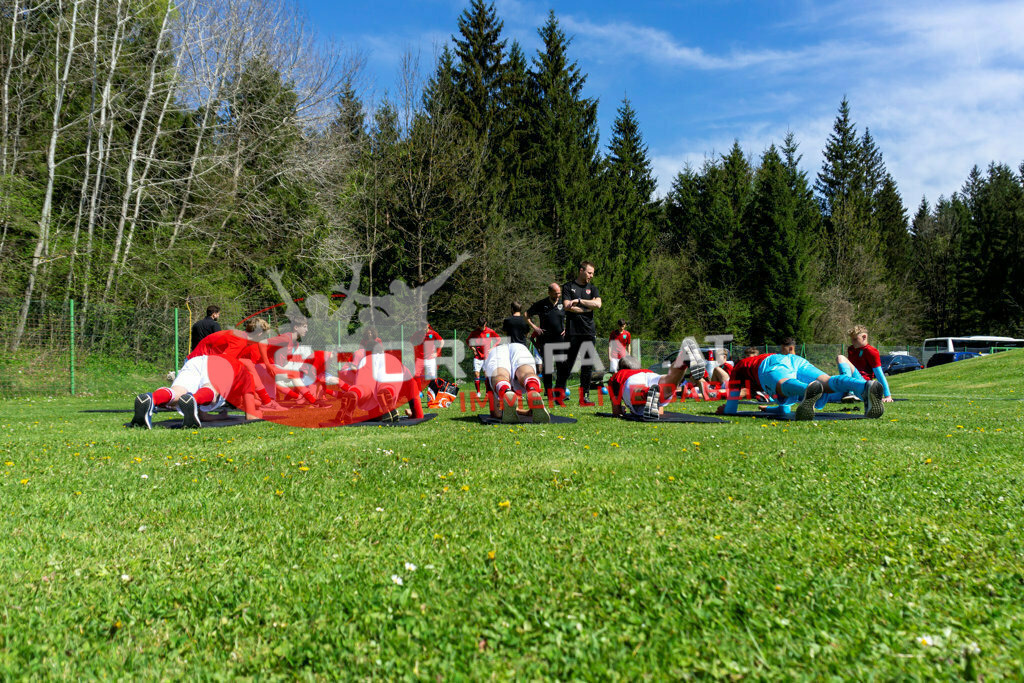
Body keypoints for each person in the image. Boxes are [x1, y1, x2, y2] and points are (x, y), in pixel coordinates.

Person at [130, 326, 259, 429]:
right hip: (217, 363)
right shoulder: (246, 374)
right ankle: (195, 399)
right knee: (212, 392)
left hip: (196, 360)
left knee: (177, 392)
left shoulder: (234, 338)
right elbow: (251, 416)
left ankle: (152, 398)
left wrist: (219, 416)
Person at [717, 349, 885, 420]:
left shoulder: (738, 370)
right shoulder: (752, 365)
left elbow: (731, 408)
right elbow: (784, 408)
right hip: (794, 360)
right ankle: (864, 387)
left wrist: (724, 410)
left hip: (768, 365)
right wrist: (769, 409)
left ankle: (806, 390)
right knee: (827, 382)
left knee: (783, 385)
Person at [608, 340, 707, 419]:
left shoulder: (618, 375)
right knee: (669, 382)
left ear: (620, 368)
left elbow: (616, 411)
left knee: (638, 391)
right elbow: (660, 411)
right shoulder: (644, 371)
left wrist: (620, 409)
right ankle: (682, 360)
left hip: (630, 381)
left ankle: (646, 393)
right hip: (651, 375)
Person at [556, 261, 602, 406]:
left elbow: (598, 304)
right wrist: (587, 309)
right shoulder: (569, 287)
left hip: (589, 332)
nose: (591, 276)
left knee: (587, 366)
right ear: (581, 270)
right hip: (573, 332)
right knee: (567, 365)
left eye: (592, 273)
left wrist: (579, 301)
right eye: (589, 273)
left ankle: (584, 397)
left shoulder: (592, 288)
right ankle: (559, 395)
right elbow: (567, 307)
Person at [481, 343, 550, 423]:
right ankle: (532, 389)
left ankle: (505, 391)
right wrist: (527, 412)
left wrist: (499, 412)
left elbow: (496, 413)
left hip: (496, 351)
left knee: (500, 375)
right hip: (519, 347)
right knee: (526, 373)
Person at [829, 325, 894, 404]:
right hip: (853, 384)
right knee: (826, 395)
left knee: (840, 357)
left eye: (855, 339)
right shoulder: (851, 349)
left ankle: (849, 392)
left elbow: (879, 374)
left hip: (864, 385)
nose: (853, 342)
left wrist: (888, 396)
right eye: (852, 339)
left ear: (864, 337)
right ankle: (848, 392)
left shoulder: (871, 351)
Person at [527, 283, 565, 394]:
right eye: (555, 293)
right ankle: (549, 392)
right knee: (548, 368)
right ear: (549, 293)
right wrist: (534, 327)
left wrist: (568, 328)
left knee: (561, 367)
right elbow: (526, 315)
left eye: (559, 293)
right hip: (546, 340)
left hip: (560, 340)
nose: (558, 295)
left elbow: (573, 316)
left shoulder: (563, 303)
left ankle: (560, 392)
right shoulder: (541, 304)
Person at [467, 317, 501, 397]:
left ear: (485, 323)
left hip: (487, 357)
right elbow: (468, 340)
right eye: (479, 325)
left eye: (482, 325)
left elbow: (498, 339)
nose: (481, 327)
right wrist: (473, 348)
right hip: (477, 357)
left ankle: (487, 392)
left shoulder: (490, 331)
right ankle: (478, 392)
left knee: (486, 375)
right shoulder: (475, 332)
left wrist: (492, 348)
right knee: (476, 373)